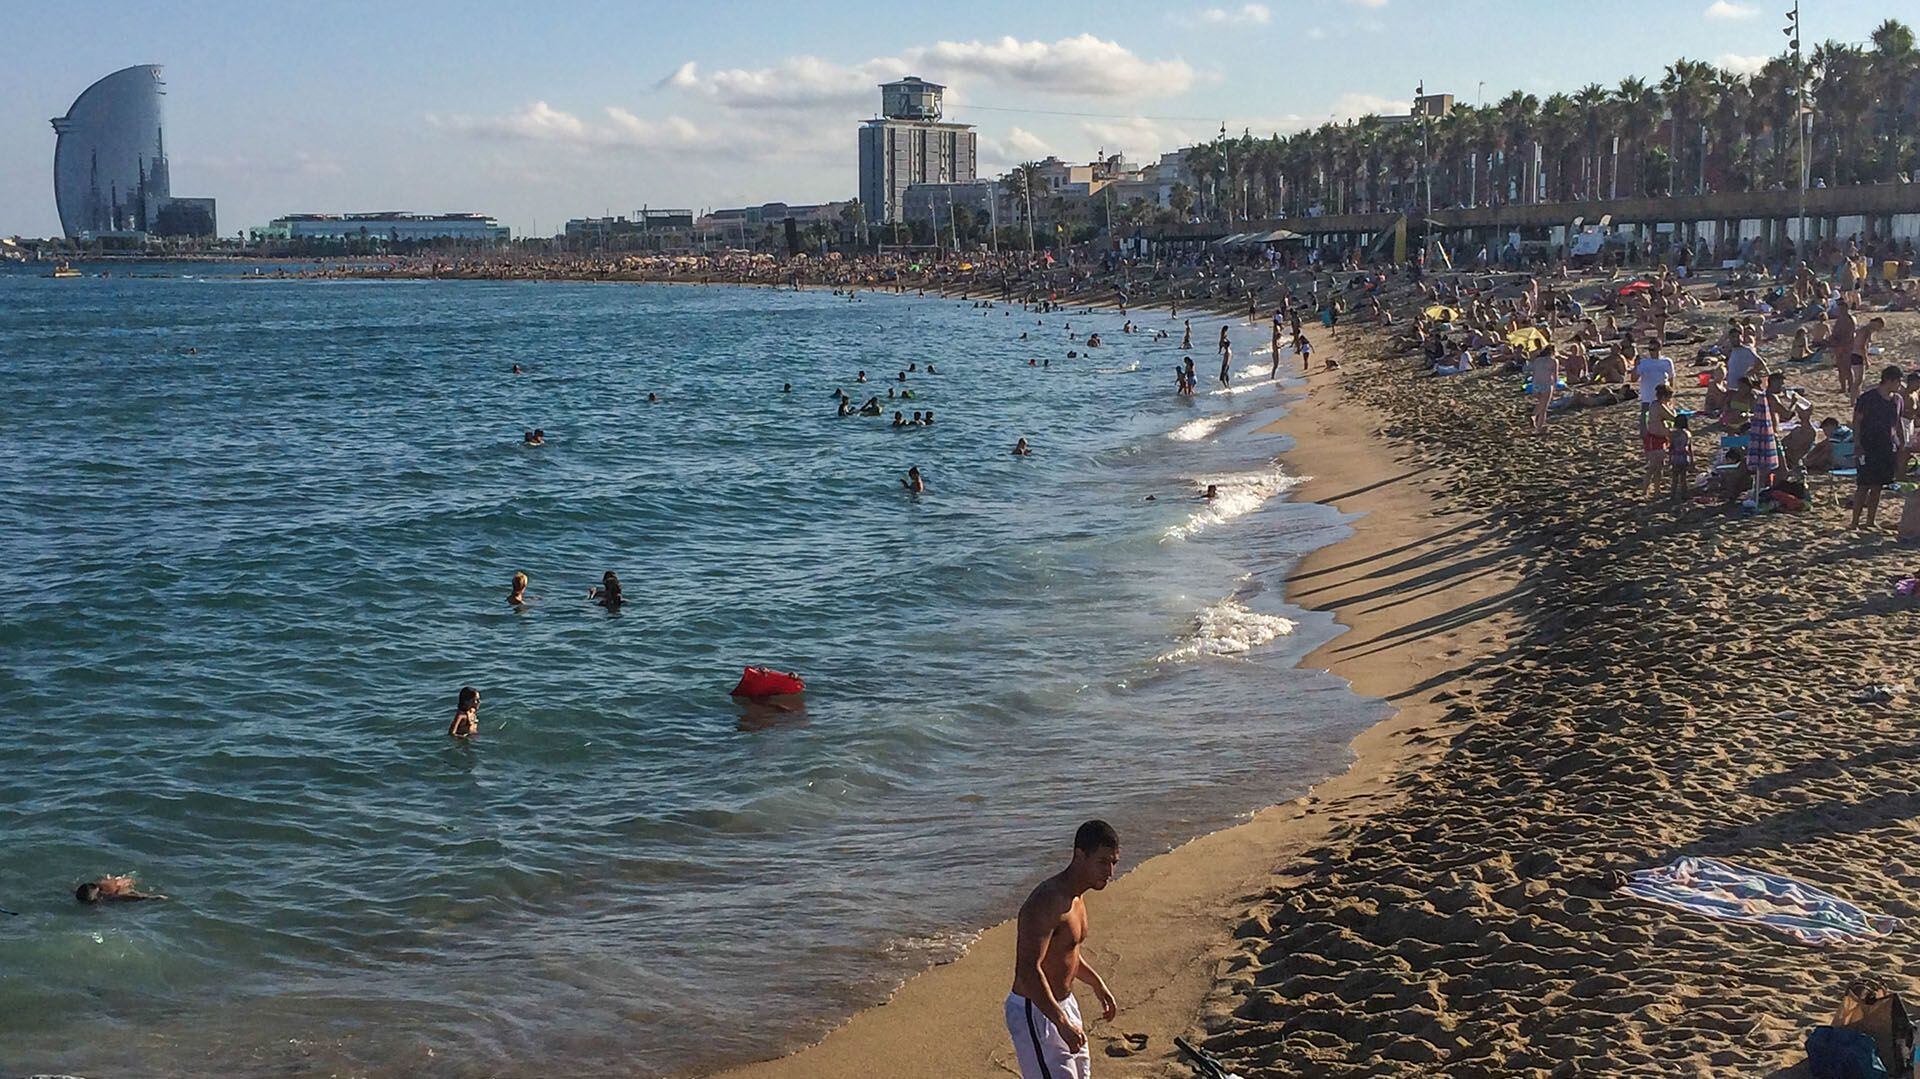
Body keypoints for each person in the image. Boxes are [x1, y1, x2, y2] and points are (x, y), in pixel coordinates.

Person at [1005, 820, 1120, 1079]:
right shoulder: (1046, 901)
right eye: (1103, 862)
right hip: (1035, 1011)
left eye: (1114, 863)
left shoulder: (1077, 899)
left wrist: (1097, 984)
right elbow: (1027, 970)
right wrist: (1060, 1022)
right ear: (1080, 855)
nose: (1110, 871)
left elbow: (1067, 954)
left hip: (1064, 1005)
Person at [1852, 365, 1904, 530]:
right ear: (1889, 380)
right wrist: (1858, 443)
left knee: (1878, 486)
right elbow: (1857, 421)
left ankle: (1870, 521)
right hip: (1868, 445)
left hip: (1887, 447)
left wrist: (1901, 442)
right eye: (1898, 381)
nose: (1899, 385)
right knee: (1863, 485)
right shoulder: (1868, 398)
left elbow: (1897, 423)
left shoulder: (1897, 400)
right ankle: (1854, 522)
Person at [1633, 341, 1676, 439]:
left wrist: (1671, 395)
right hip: (1647, 397)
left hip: (1663, 397)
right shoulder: (1644, 363)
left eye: (1654, 349)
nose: (1651, 352)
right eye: (1650, 349)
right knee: (1645, 421)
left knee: (1666, 421)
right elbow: (1634, 378)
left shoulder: (1667, 362)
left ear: (1659, 349)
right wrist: (1636, 366)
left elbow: (1671, 378)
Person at [1645, 384, 1676, 497]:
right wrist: (1672, 407)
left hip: (1661, 438)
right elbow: (1672, 417)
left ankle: (1656, 489)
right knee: (1654, 466)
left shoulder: (1655, 404)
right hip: (1654, 439)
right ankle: (1645, 489)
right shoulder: (1659, 406)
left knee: (1659, 466)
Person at [1529, 346, 1558, 436]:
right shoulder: (1553, 361)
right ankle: (1538, 426)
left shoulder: (1537, 360)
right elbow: (1555, 376)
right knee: (1544, 408)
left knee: (1541, 403)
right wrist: (1555, 387)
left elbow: (1534, 373)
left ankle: (1535, 419)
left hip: (1536, 384)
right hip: (1546, 384)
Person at [74, 875, 167, 903]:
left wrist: (152, 897)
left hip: (119, 885)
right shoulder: (81, 892)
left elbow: (131, 897)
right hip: (108, 883)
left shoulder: (109, 896)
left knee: (125, 889)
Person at [1669, 413, 1695, 500]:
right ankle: (1684, 494)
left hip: (1675, 457)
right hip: (1684, 456)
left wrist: (1669, 459)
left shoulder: (1672, 434)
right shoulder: (1687, 433)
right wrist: (1692, 460)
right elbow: (1690, 448)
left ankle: (1672, 494)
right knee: (1683, 478)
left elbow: (1671, 447)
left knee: (1674, 478)